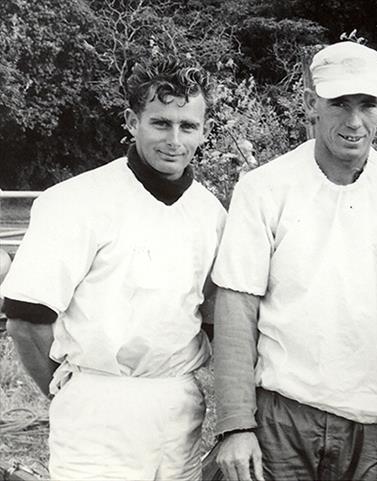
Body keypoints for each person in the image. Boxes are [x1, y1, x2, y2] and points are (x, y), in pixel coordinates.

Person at [211, 41, 377, 481]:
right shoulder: (264, 188)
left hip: (372, 423)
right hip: (280, 416)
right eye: (339, 104)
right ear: (312, 104)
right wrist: (236, 425)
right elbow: (236, 309)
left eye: (367, 104)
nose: (354, 121)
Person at [0, 56, 226, 481]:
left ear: (205, 130)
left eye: (188, 126)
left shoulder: (210, 211)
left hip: (180, 406)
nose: (175, 140)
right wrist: (73, 394)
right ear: (131, 120)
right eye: (160, 123)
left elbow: (213, 317)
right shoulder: (76, 201)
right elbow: (26, 320)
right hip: (97, 409)